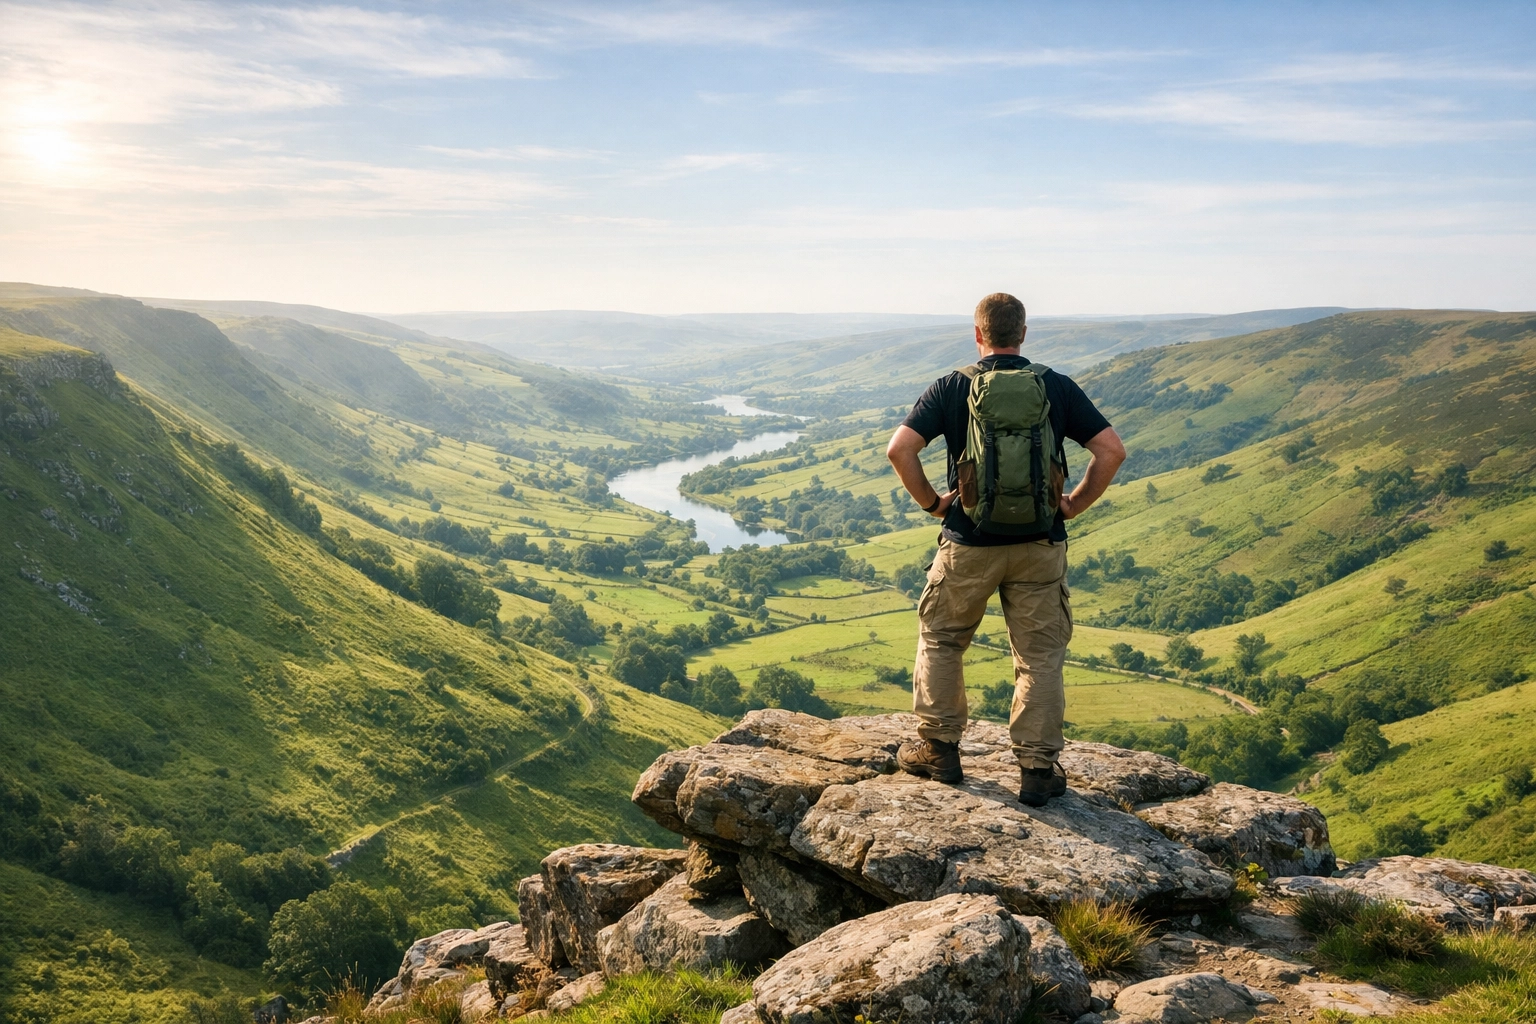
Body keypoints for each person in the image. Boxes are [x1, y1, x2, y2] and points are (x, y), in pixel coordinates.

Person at [886, 292, 1125, 806]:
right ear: (1023, 333)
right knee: (1040, 657)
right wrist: (1072, 505)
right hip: (1040, 542)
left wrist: (934, 504)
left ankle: (941, 752)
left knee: (944, 639)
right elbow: (1111, 451)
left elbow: (900, 449)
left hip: (968, 542)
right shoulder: (1055, 386)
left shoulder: (953, 386)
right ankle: (1038, 771)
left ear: (978, 335)